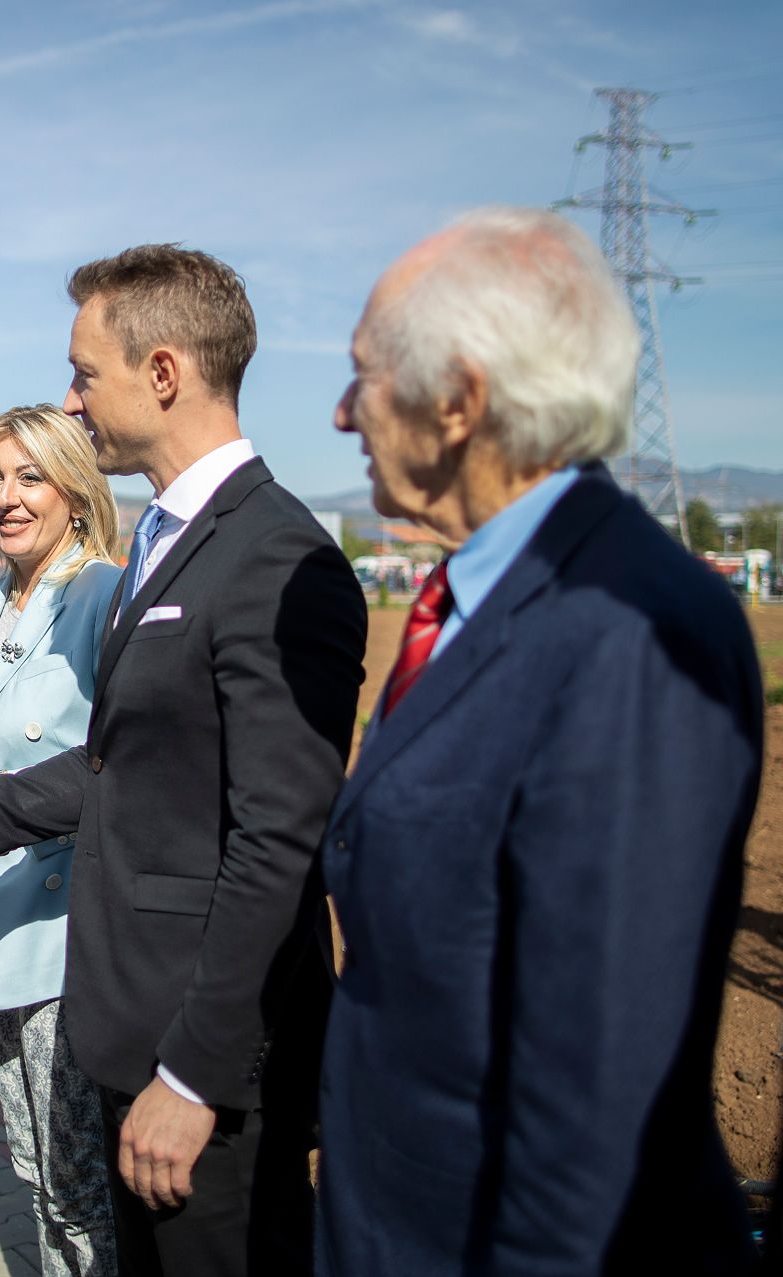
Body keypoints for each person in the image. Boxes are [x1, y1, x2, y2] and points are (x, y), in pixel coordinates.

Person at [0, 245, 368, 1275]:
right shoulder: (172, 538)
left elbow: (279, 840)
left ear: (160, 373)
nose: (69, 401)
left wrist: (197, 1075)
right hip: (132, 1025)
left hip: (208, 1061)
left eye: (82, 374)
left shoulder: (277, 558)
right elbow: (114, 765)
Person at [317, 207, 764, 1274]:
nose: (339, 415)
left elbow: (592, 1100)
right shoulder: (479, 591)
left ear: (459, 400)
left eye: (361, 376)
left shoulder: (625, 632)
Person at [0, 405, 122, 1275]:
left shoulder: (106, 594)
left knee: (80, 1180)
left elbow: (119, 764)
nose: (7, 497)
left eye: (30, 476)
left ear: (75, 489)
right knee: (34, 1163)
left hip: (66, 930)